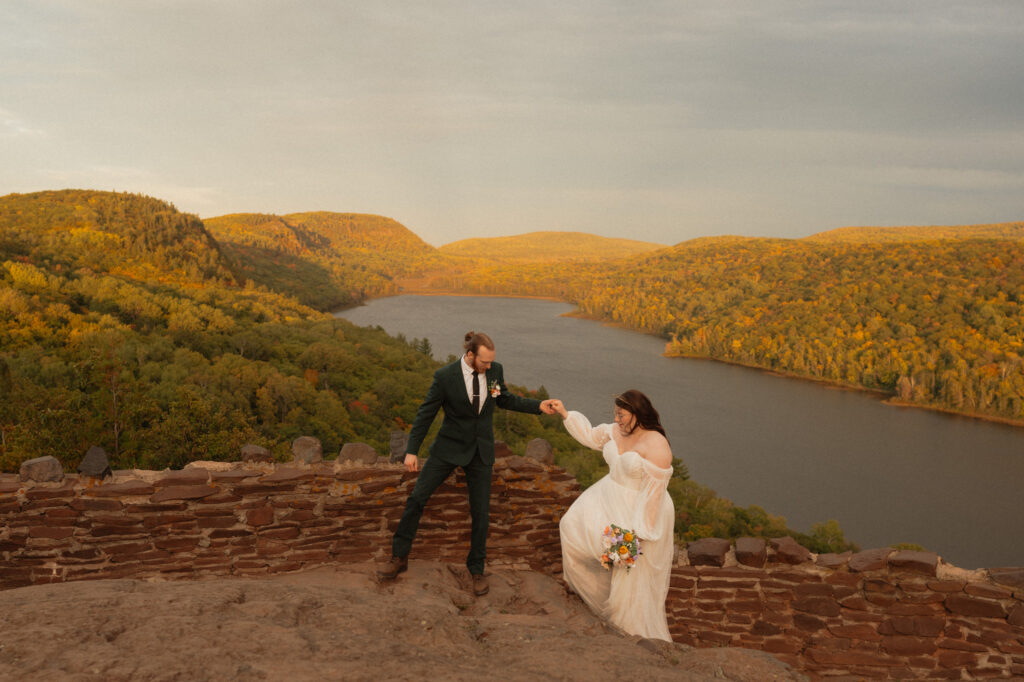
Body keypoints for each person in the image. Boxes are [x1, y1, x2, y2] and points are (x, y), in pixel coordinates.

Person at [377, 331, 559, 596]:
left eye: (490, 362)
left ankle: (476, 570)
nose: (488, 366)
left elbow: (503, 398)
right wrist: (412, 450)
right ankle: (399, 557)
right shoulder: (445, 377)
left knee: (481, 513)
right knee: (417, 499)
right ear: (470, 355)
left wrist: (537, 406)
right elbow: (425, 414)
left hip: (480, 452)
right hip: (447, 448)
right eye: (484, 362)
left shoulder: (495, 371)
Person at [551, 390, 675, 641]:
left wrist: (637, 535)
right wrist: (565, 413)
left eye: (621, 414)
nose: (616, 419)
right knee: (570, 526)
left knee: (628, 569)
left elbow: (654, 497)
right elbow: (589, 436)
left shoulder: (657, 445)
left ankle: (628, 630)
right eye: (615, 414)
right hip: (606, 495)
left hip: (640, 507)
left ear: (638, 414)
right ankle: (592, 598)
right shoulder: (615, 430)